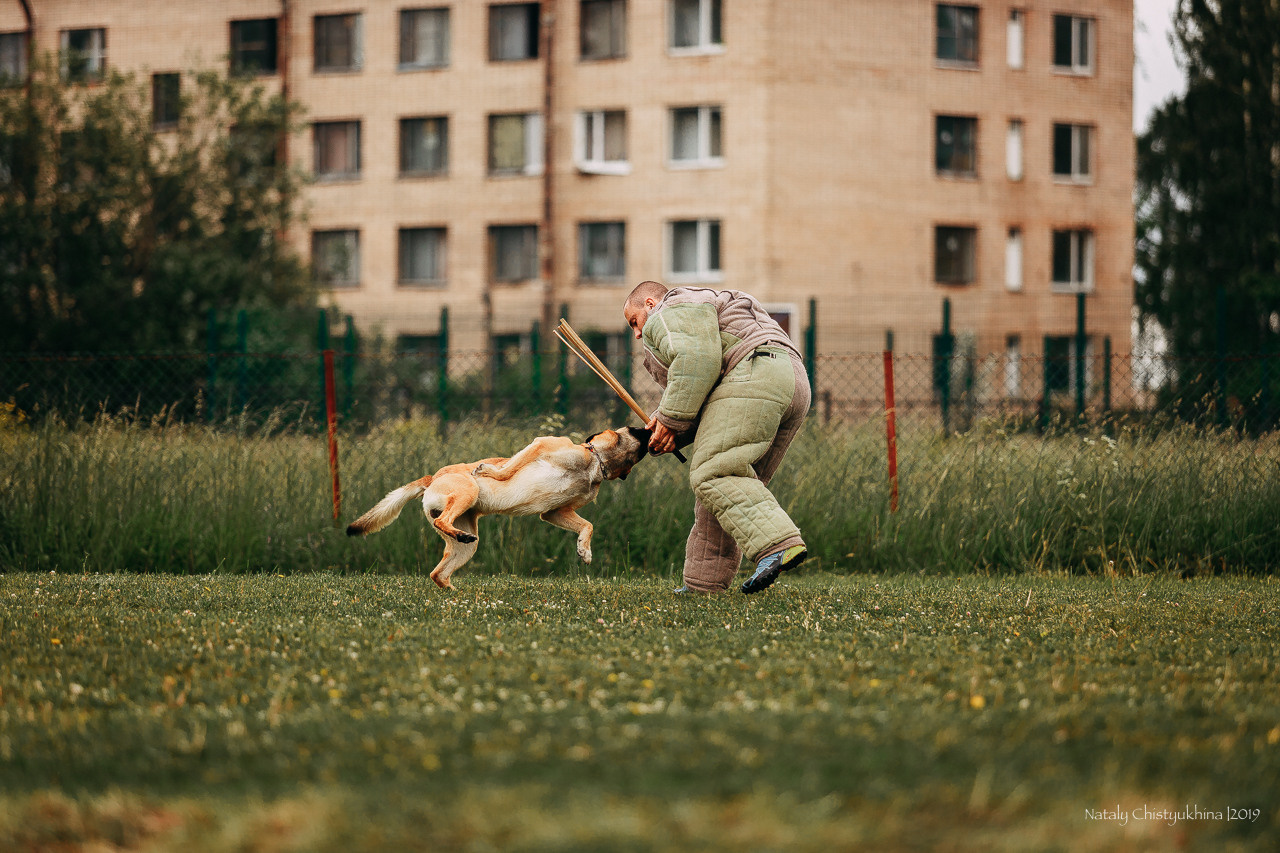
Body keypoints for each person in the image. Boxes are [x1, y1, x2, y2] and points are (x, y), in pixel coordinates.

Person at [622, 280, 811, 594]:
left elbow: (697, 362)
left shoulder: (672, 306)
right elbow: (708, 389)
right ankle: (704, 583)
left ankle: (777, 545)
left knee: (714, 473)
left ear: (651, 304)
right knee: (726, 487)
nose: (638, 333)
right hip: (790, 379)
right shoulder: (704, 311)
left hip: (754, 373)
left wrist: (669, 418)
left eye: (634, 322)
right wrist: (668, 430)